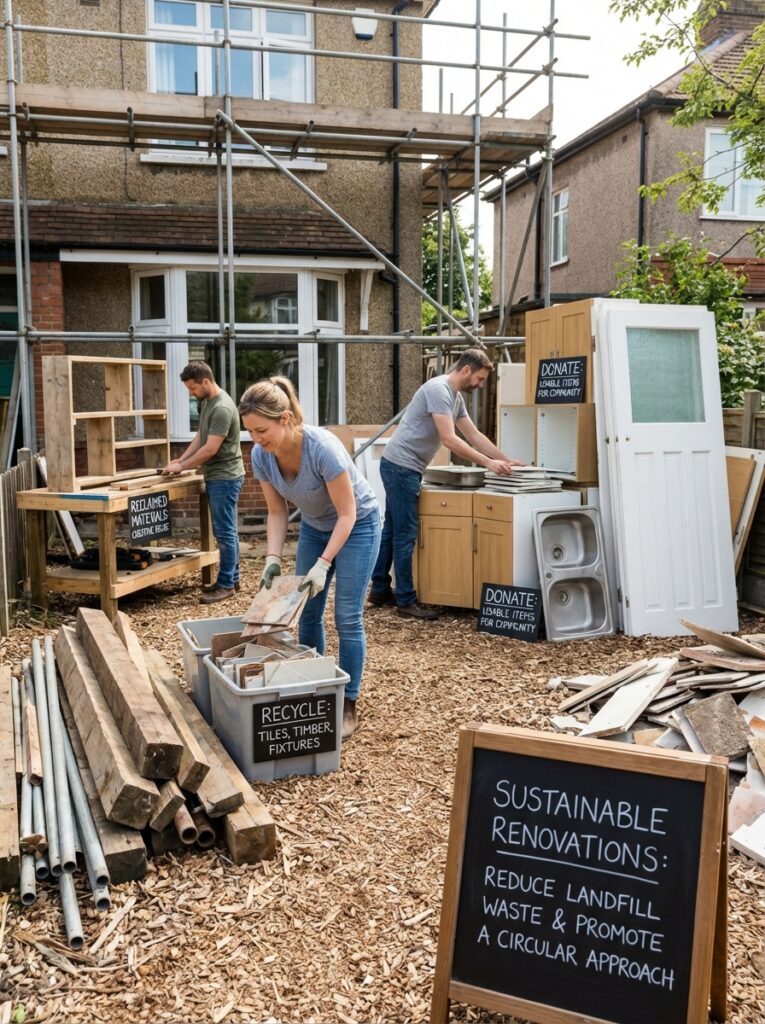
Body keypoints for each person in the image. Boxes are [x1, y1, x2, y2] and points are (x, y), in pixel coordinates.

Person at [239, 376, 381, 741]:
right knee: (307, 612)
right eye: (250, 432)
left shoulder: (322, 449)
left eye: (261, 430)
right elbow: (276, 512)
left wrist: (324, 563)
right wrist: (272, 558)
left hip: (359, 526)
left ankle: (348, 702)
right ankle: (315, 687)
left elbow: (348, 514)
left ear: (285, 418)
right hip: (316, 527)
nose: (255, 439)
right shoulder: (261, 456)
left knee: (347, 616)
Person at [370, 348, 523, 620]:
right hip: (401, 468)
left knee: (392, 530)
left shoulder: (455, 397)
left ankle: (380, 590)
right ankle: (405, 601)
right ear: (466, 370)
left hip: (402, 467)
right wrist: (488, 463)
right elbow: (450, 439)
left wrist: (506, 459)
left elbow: (474, 435)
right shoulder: (438, 390)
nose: (481, 385)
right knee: (405, 535)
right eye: (480, 378)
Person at [162, 361, 244, 605]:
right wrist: (181, 459)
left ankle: (226, 585)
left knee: (225, 533)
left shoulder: (222, 408)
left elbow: (210, 448)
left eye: (193, 388)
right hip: (217, 475)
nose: (191, 392)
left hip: (225, 477)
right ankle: (231, 579)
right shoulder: (206, 401)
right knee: (228, 531)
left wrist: (182, 467)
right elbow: (201, 436)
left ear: (206, 381)